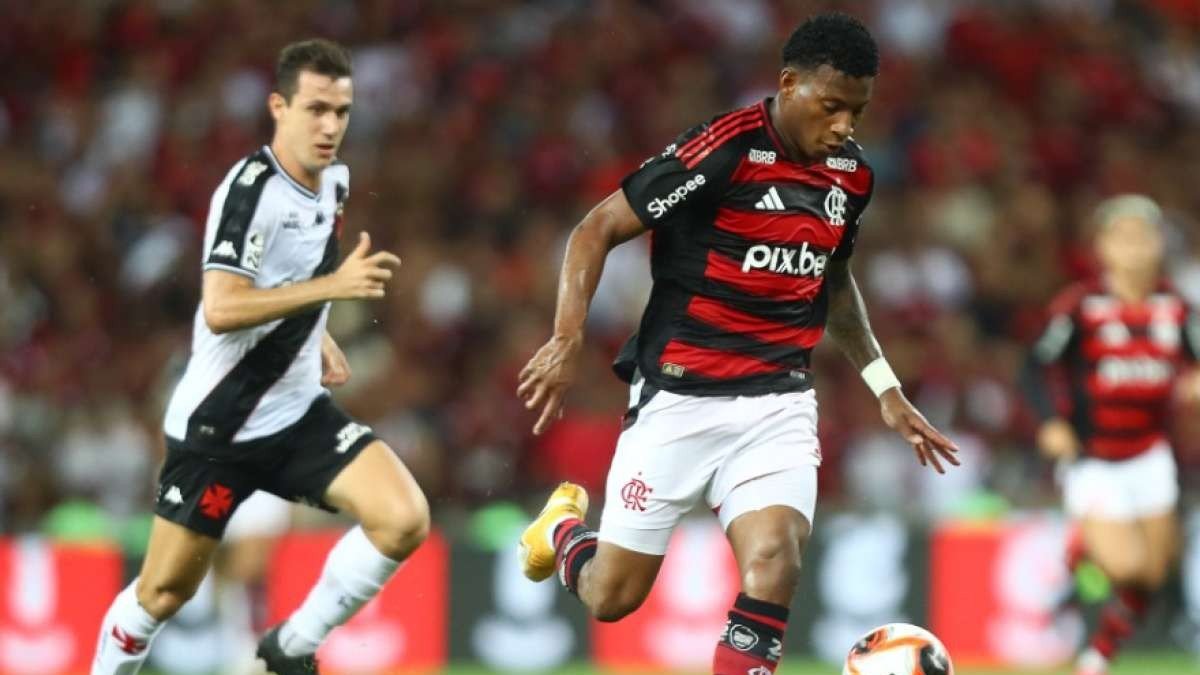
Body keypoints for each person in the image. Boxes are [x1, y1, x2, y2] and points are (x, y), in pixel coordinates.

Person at [515, 13, 959, 675]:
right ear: (788, 84)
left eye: (857, 112)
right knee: (611, 595)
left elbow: (833, 282)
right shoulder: (723, 149)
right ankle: (562, 530)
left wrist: (885, 387)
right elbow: (596, 227)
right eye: (832, 106)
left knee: (775, 558)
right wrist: (565, 337)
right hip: (678, 399)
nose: (844, 126)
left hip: (775, 404)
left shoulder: (850, 176)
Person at [90, 38, 429, 675]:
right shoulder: (250, 192)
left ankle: (290, 648)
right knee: (163, 594)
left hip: (297, 414)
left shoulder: (335, 182)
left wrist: (315, 330)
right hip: (222, 425)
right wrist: (331, 292)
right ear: (279, 107)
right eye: (316, 109)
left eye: (343, 111)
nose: (331, 126)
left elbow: (291, 273)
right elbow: (221, 305)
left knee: (403, 518)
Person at [1021, 194, 1200, 675]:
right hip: (1094, 456)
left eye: (1145, 236)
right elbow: (1036, 366)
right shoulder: (1082, 306)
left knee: (1152, 574)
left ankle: (1095, 659)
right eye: (1124, 237)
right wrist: (1051, 422)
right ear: (1102, 247)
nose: (1136, 248)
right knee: (1125, 568)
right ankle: (1078, 550)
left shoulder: (1176, 309)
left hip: (1151, 453)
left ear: (1160, 244)